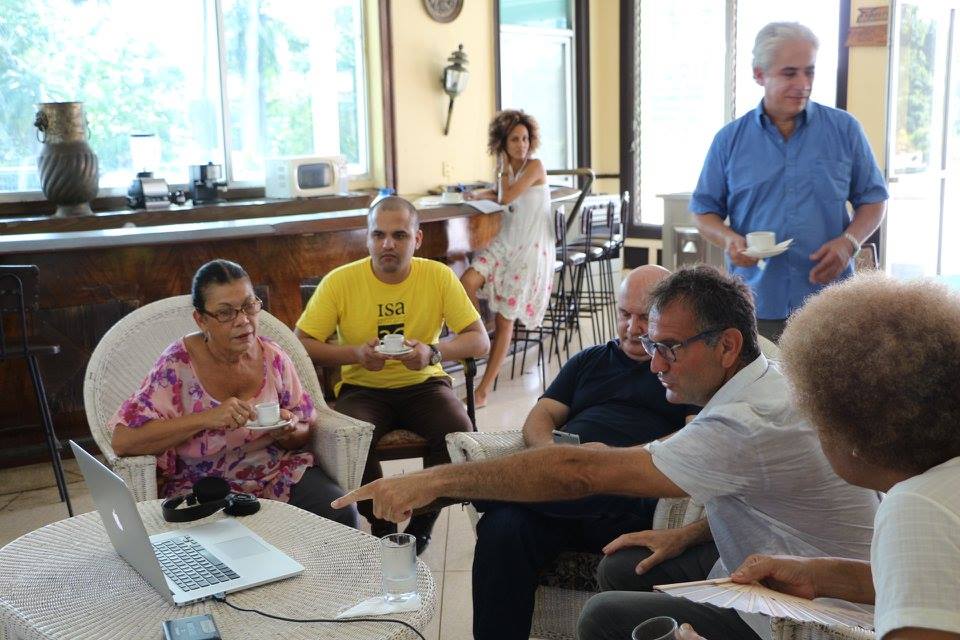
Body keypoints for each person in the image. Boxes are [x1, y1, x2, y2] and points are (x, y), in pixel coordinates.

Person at [332, 265, 880, 639]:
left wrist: (434, 482)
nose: (655, 361)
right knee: (616, 568)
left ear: (728, 344)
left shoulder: (744, 420)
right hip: (768, 564)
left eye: (667, 346)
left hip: (804, 612)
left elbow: (579, 473)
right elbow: (760, 492)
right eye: (647, 340)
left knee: (605, 615)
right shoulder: (758, 382)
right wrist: (684, 533)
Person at [685, 273, 960, 640]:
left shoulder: (917, 508)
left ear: (851, 427)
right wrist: (821, 576)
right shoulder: (941, 487)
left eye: (813, 419)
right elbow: (936, 580)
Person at [471, 265, 709, 640]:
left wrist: (613, 462)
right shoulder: (590, 360)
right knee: (502, 527)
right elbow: (542, 414)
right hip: (561, 493)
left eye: (645, 317)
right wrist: (550, 454)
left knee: (560, 488)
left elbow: (695, 435)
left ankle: (482, 488)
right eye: (624, 315)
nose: (632, 328)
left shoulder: (680, 368)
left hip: (626, 497)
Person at [295, 196, 489, 552]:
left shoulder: (438, 276)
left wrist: (433, 352)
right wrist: (354, 354)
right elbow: (301, 343)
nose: (387, 243)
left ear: (417, 239)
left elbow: (480, 341)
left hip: (425, 384)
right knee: (350, 437)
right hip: (362, 388)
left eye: (399, 235)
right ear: (367, 239)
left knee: (459, 436)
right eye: (378, 234)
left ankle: (423, 520)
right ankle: (384, 526)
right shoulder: (341, 281)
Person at [109, 259, 359, 528]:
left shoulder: (273, 357)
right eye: (226, 313)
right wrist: (207, 418)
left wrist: (285, 430)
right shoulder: (176, 365)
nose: (243, 321)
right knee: (216, 547)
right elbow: (124, 441)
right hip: (202, 485)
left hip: (276, 472)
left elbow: (303, 431)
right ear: (201, 319)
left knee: (341, 510)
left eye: (249, 306)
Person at [691, 22, 888, 342]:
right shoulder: (729, 141)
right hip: (753, 304)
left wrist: (849, 242)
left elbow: (874, 200)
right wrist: (728, 239)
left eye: (809, 72)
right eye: (789, 73)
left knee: (830, 392)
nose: (803, 84)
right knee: (763, 391)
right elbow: (703, 211)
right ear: (759, 74)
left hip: (831, 303)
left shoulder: (845, 130)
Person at [460, 109, 556, 408]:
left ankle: (482, 391)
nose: (522, 145)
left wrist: (500, 170)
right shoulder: (509, 172)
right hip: (506, 243)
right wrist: (481, 192)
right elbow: (502, 191)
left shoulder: (535, 165)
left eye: (525, 138)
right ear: (502, 141)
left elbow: (506, 197)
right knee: (466, 281)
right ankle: (477, 336)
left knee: (505, 322)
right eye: (514, 139)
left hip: (529, 249)